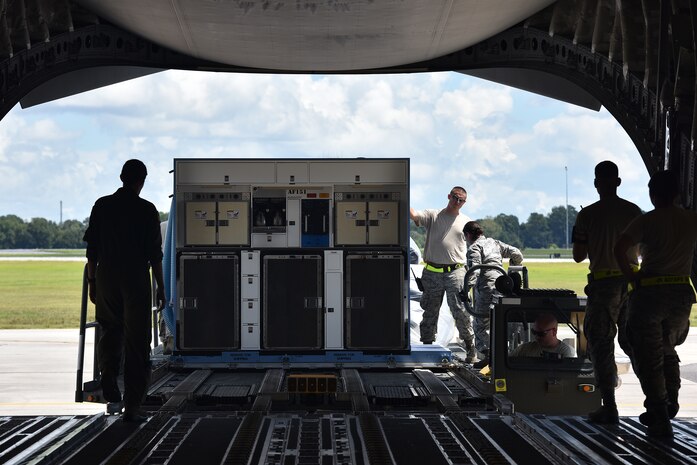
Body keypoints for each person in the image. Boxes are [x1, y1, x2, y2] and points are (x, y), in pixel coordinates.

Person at [614, 170, 697, 437]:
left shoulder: (646, 221)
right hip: (681, 294)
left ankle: (659, 411)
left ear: (652, 194)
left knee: (648, 355)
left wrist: (632, 277)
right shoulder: (690, 219)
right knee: (668, 348)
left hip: (650, 293)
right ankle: (671, 399)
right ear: (677, 194)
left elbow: (620, 248)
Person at [83, 159, 166, 423]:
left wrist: (93, 282)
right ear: (142, 181)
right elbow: (155, 256)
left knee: (110, 329)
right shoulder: (147, 210)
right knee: (137, 342)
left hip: (106, 276)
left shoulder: (102, 206)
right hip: (134, 278)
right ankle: (132, 406)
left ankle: (107, 374)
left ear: (121, 177)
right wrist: (161, 287)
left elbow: (91, 251)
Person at [572, 161, 642, 424]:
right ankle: (655, 403)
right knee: (635, 343)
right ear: (618, 182)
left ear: (596, 184)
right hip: (631, 285)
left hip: (603, 287)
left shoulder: (587, 216)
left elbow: (579, 256)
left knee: (601, 345)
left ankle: (609, 405)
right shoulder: (634, 212)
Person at [410, 186, 475, 361]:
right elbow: (415, 216)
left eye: (461, 200)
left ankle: (470, 347)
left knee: (460, 311)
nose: (457, 202)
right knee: (430, 311)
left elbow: (475, 243)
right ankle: (427, 347)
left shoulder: (466, 222)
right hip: (432, 272)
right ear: (449, 196)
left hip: (455, 272)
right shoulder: (433, 216)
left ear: (464, 203)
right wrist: (403, 198)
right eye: (455, 198)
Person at [463, 220, 523, 368]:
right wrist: (513, 270)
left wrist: (465, 290)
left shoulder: (474, 248)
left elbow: (474, 271)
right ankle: (502, 352)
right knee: (499, 321)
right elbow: (517, 253)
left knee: (479, 325)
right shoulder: (494, 243)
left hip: (486, 289)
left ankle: (491, 354)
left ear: (468, 235)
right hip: (502, 287)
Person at [509, 313, 576, 358]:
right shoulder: (525, 349)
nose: (536, 337)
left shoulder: (567, 352)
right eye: (534, 332)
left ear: (554, 331)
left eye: (541, 333)